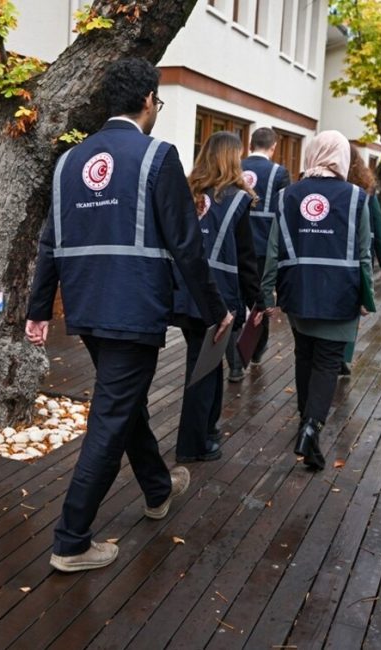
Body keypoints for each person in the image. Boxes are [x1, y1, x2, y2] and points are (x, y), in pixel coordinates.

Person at [25, 58, 234, 572]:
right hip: (135, 306)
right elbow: (186, 246)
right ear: (147, 101)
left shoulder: (70, 161)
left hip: (87, 305)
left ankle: (158, 488)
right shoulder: (158, 156)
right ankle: (71, 540)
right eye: (157, 102)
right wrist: (216, 311)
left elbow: (50, 242)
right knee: (113, 411)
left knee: (124, 397)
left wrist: (38, 309)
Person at [260, 130, 374, 471]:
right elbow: (364, 254)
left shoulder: (286, 196)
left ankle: (304, 426)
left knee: (304, 356)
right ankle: (312, 427)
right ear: (340, 156)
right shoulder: (356, 197)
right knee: (326, 363)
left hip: (299, 291)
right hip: (341, 293)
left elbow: (272, 251)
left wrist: (268, 292)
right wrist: (367, 297)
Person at [173, 132, 263, 463]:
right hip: (218, 297)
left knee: (207, 364)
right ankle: (193, 443)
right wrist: (258, 301)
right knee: (203, 369)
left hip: (183, 295)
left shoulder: (186, 190)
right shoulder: (237, 200)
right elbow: (246, 258)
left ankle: (208, 430)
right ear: (232, 158)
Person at [340, 146, 381, 377]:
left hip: (333, 253)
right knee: (352, 304)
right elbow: (378, 226)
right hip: (358, 255)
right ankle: (344, 356)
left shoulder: (331, 187)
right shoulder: (366, 191)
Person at [240, 127, 291, 374]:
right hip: (263, 247)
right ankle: (257, 350)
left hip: (234, 246)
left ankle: (234, 358)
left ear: (250, 145)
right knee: (261, 300)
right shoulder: (279, 173)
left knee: (236, 300)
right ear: (273, 147)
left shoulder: (235, 166)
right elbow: (285, 211)